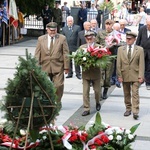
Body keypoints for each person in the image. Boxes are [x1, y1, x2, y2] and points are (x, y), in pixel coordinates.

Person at [34, 22, 69, 106]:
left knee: (59, 85)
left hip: (58, 66)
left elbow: (66, 53)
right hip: (44, 66)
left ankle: (57, 101)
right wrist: (36, 67)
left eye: (55, 30)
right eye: (51, 30)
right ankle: (47, 102)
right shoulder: (41, 39)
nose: (53, 32)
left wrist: (66, 67)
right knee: (44, 86)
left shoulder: (62, 38)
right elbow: (37, 54)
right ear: (47, 29)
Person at [117, 31, 145, 120]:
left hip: (136, 74)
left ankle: (135, 111)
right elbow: (118, 63)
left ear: (134, 39)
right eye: (127, 38)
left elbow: (141, 64)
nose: (128, 40)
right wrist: (119, 75)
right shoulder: (121, 49)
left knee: (135, 93)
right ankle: (128, 108)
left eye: (130, 39)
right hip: (124, 74)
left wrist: (141, 76)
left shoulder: (139, 49)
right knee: (126, 93)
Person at [79, 31, 101, 116]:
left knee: (97, 91)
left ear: (94, 38)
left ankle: (98, 102)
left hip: (96, 73)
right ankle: (86, 108)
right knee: (85, 91)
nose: (89, 39)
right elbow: (78, 59)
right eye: (87, 38)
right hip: (86, 73)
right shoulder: (82, 48)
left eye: (91, 37)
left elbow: (103, 60)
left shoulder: (99, 47)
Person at [96, 19, 115, 99]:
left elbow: (120, 42)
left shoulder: (114, 33)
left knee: (107, 76)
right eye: (107, 24)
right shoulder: (100, 33)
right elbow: (96, 42)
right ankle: (99, 93)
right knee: (100, 75)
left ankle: (105, 91)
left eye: (110, 24)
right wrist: (100, 46)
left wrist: (113, 44)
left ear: (112, 25)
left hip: (110, 57)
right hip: (101, 56)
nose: (108, 26)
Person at [136, 17, 150, 90]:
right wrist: (136, 50)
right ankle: (139, 81)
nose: (148, 27)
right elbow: (138, 39)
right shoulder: (142, 29)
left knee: (148, 68)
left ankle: (148, 82)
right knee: (140, 67)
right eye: (147, 25)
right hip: (142, 51)